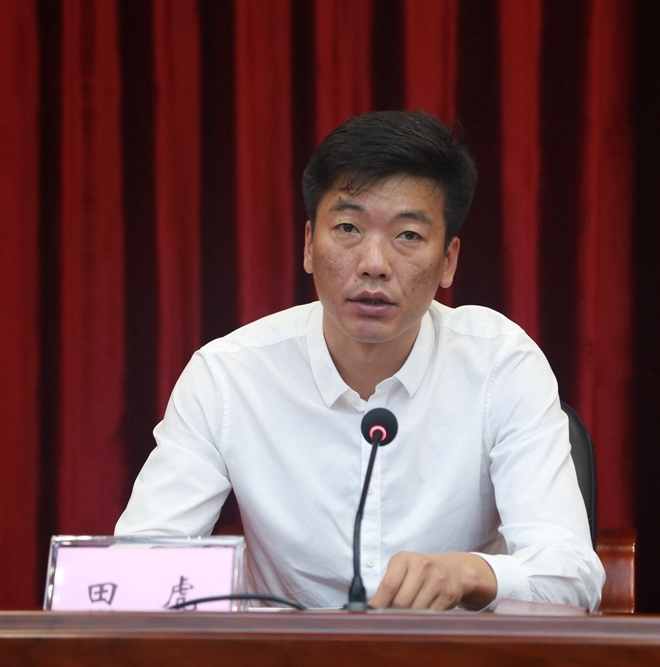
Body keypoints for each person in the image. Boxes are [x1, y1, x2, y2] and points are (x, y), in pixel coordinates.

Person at [115, 110, 605, 611]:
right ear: (309, 245)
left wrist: (469, 573)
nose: (374, 264)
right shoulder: (228, 376)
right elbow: (138, 565)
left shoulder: (500, 365)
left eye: (408, 235)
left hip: (451, 650)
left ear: (448, 260)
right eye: (348, 227)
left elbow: (572, 576)